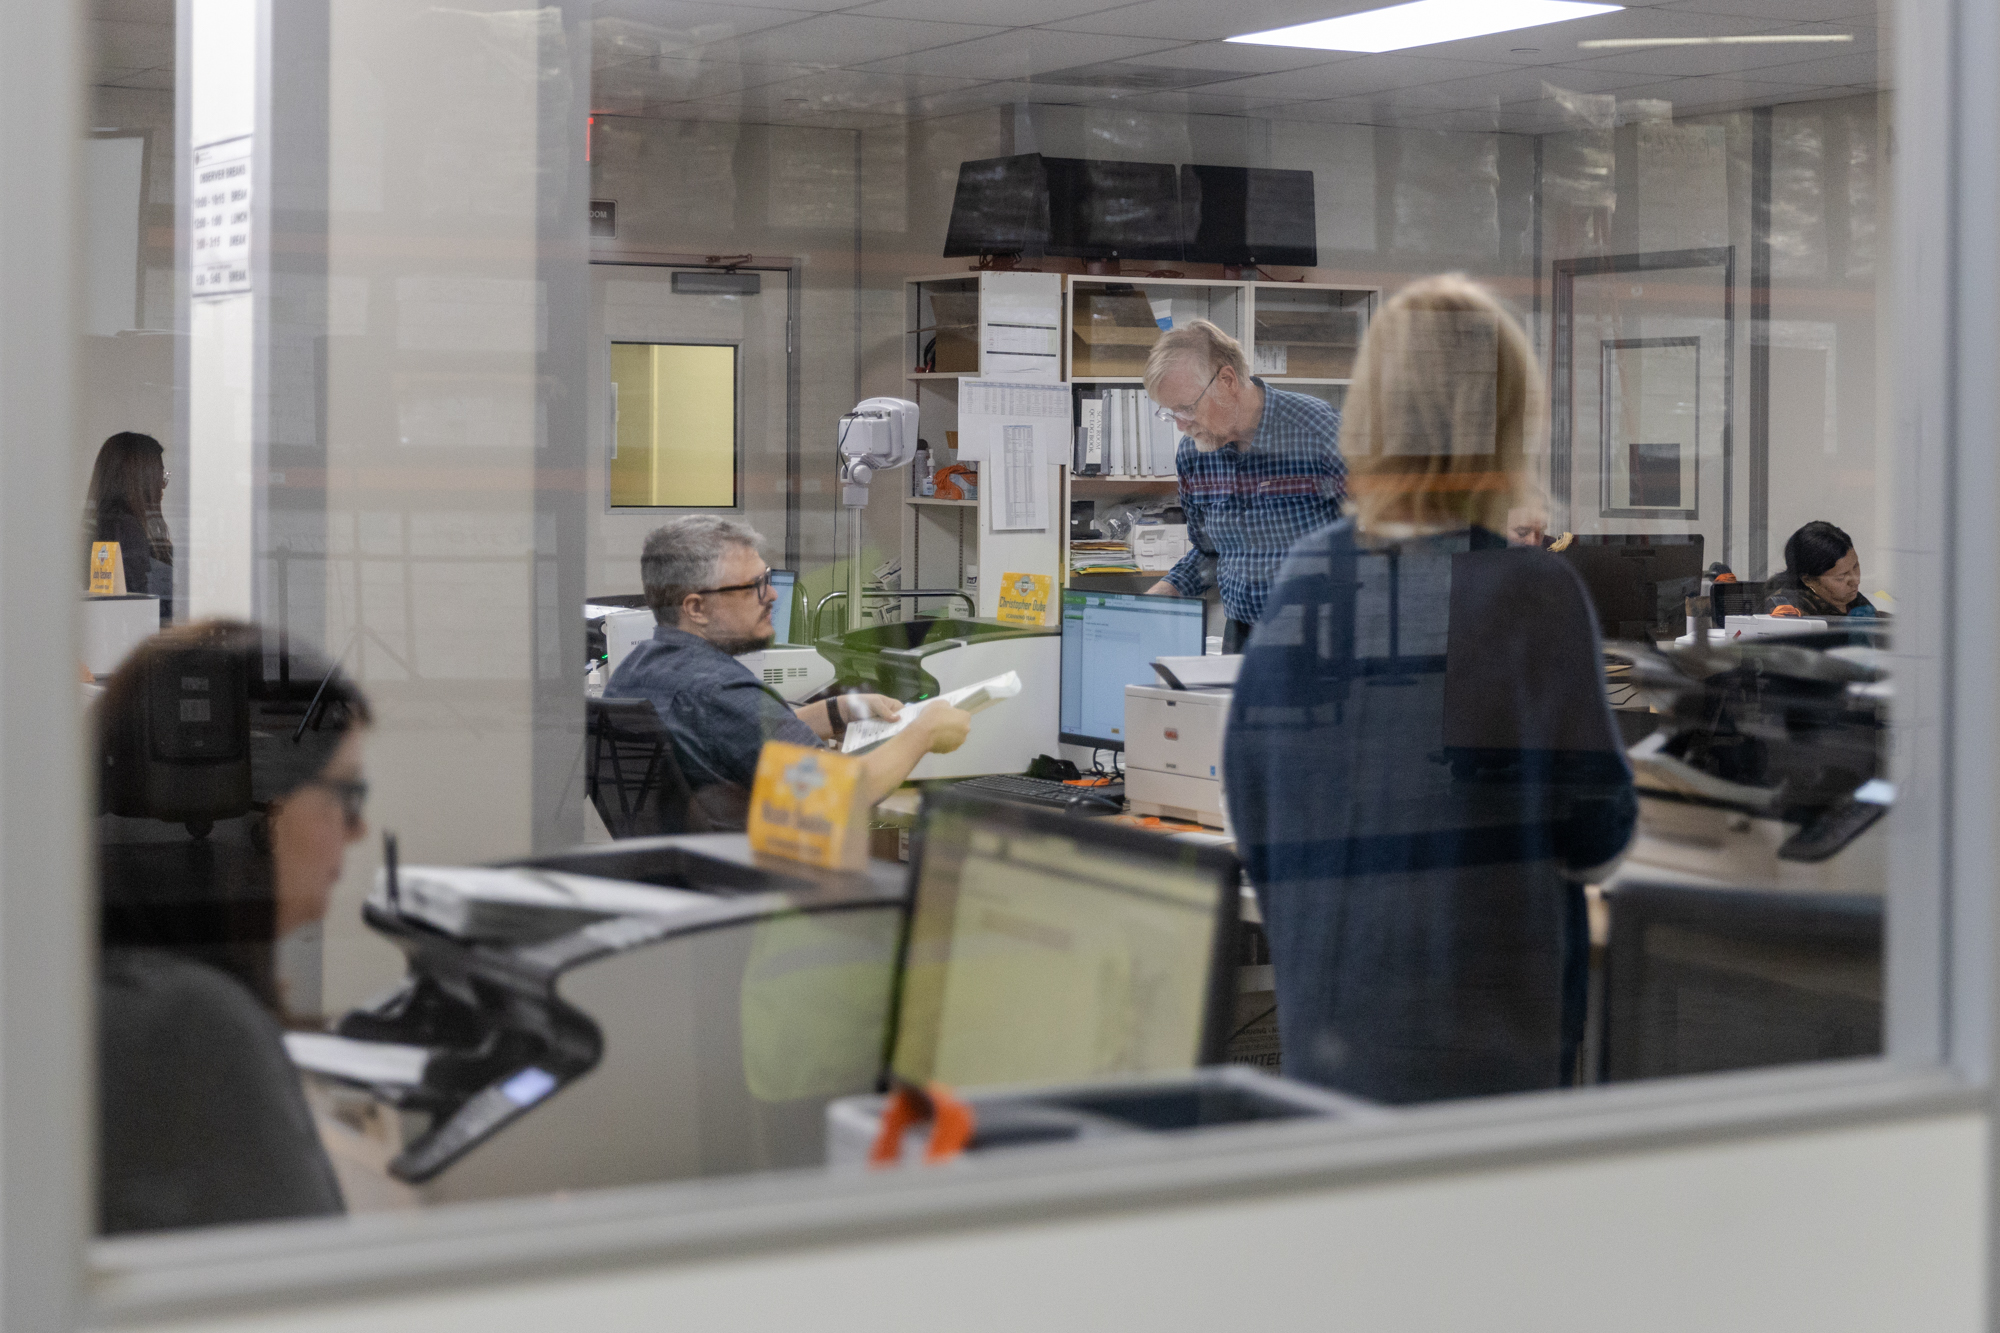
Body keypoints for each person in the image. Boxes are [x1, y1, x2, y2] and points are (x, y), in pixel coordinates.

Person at [1224, 275, 1636, 1105]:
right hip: (1484, 1061)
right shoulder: (1526, 591)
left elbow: (1250, 802)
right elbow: (1598, 838)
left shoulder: (1310, 572)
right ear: (1510, 424)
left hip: (1328, 1037)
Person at [96, 621, 371, 1233]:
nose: (357, 831)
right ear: (269, 810)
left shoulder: (114, 992)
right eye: (343, 797)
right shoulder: (191, 1023)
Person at [608, 516, 970, 821]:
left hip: (684, 880)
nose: (772, 596)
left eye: (765, 580)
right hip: (749, 885)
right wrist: (923, 732)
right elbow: (840, 796)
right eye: (752, 587)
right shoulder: (721, 693)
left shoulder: (636, 671)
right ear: (696, 608)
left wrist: (840, 710)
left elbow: (741, 740)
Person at [1140, 321, 1345, 653]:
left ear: (1227, 380)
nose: (1181, 425)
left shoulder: (1317, 431)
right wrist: (1163, 594)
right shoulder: (1194, 454)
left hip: (1322, 639)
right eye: (1171, 413)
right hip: (1242, 637)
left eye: (1187, 409)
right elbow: (1210, 554)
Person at [85, 431, 174, 614]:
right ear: (143, 480)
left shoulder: (103, 525)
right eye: (160, 476)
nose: (162, 485)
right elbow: (140, 604)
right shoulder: (126, 530)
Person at [1764, 521, 1879, 618]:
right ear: (1808, 580)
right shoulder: (1790, 609)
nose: (1855, 581)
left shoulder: (1852, 601)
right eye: (1841, 577)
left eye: (1856, 566)